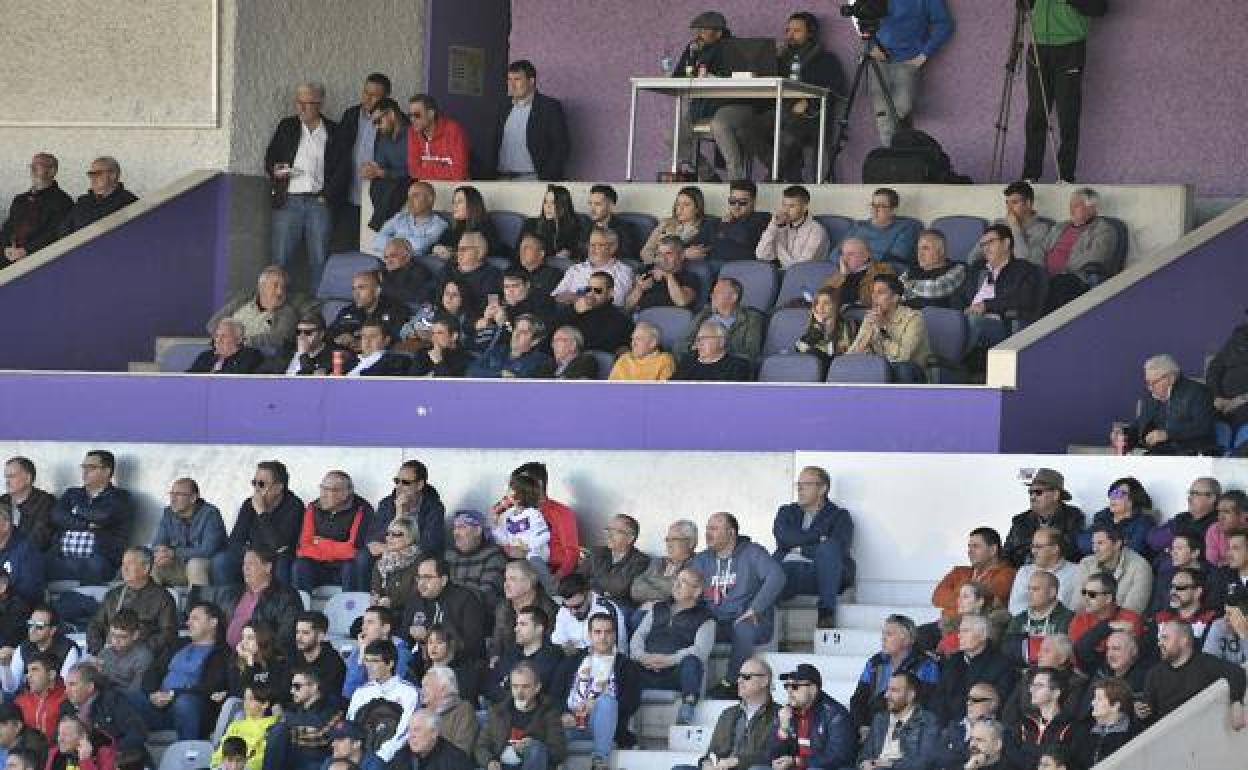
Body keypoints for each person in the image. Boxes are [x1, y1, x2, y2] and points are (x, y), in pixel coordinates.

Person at [692, 512, 785, 698]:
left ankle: (731, 682)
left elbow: (777, 576)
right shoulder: (702, 560)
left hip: (748, 620)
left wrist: (755, 608)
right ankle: (690, 689)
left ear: (731, 533)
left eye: (714, 528)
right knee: (690, 625)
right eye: (707, 528)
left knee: (744, 627)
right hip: (716, 622)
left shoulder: (752, 552)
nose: (708, 533)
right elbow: (689, 588)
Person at [750, 13, 844, 182]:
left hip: (811, 116)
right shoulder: (780, 59)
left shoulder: (826, 59)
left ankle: (774, 176)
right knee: (747, 127)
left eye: (796, 31)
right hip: (781, 111)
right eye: (788, 31)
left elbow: (837, 89)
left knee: (790, 131)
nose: (790, 35)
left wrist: (809, 102)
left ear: (810, 34)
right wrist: (770, 60)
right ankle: (776, 168)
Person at [265, 83, 343, 287]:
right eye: (298, 102)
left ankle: (318, 310)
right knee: (280, 257)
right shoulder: (287, 126)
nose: (300, 108)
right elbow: (271, 155)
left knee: (319, 257)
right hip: (289, 199)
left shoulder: (333, 130)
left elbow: (342, 168)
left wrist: (326, 196)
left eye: (306, 103)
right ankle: (278, 305)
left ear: (319, 104)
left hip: (319, 201)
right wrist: (275, 170)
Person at [1022, 0, 1107, 183]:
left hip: (1070, 46)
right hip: (1038, 45)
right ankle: (1030, 175)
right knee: (1036, 112)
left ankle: (1066, 175)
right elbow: (1023, 6)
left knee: (1067, 114)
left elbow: (1099, 8)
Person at [630, 568, 714, 724]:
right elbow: (638, 636)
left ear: (696, 591)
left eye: (683, 582)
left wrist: (669, 660)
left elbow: (700, 650)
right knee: (624, 664)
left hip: (674, 674)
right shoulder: (658, 608)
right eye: (676, 580)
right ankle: (622, 720)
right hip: (646, 670)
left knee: (692, 661)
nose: (676, 585)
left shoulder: (705, 618)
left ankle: (687, 708)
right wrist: (642, 657)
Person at [773, 466, 855, 629]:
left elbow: (837, 549)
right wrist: (818, 538)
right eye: (799, 484)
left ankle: (826, 612)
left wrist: (798, 548)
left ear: (823, 488)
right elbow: (782, 537)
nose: (800, 489)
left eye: (807, 484)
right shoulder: (786, 511)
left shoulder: (839, 516)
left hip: (823, 574)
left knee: (829, 548)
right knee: (763, 568)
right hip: (789, 572)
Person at [137, 602, 231, 741]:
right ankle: (128, 756)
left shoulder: (222, 652)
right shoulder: (178, 644)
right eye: (188, 618)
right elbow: (153, 671)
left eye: (195, 618)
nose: (188, 622)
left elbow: (211, 687)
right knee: (120, 697)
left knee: (185, 703)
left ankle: (189, 755)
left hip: (193, 710)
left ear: (213, 622)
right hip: (159, 707)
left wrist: (173, 694)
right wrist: (152, 693)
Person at [560, 613, 640, 768]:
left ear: (615, 635)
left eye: (608, 632)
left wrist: (595, 705)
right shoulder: (572, 662)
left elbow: (631, 702)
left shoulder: (626, 665)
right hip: (572, 724)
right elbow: (554, 695)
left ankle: (599, 761)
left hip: (606, 724)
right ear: (589, 635)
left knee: (606, 701)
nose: (603, 637)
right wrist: (564, 713)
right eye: (598, 632)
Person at [1139, 620, 1246, 729]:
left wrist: (1236, 703)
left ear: (1183, 640)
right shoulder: (1154, 675)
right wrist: (1142, 715)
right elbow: (1149, 718)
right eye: (1159, 639)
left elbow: (1237, 672)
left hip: (1203, 730)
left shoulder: (1205, 662)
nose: (1160, 643)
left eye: (1165, 638)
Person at [48, 450, 134, 585]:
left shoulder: (120, 497)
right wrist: (87, 525)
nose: (85, 472)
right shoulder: (72, 493)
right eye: (84, 467)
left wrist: (76, 510)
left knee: (93, 568)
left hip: (99, 560)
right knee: (36, 563)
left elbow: (104, 516)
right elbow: (56, 515)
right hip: (63, 556)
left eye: (91, 468)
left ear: (106, 471)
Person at [675, 657, 776, 770]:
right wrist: (707, 763)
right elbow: (712, 752)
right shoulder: (728, 713)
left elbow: (772, 756)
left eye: (746, 677)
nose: (739, 681)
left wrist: (737, 761)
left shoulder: (779, 715)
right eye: (739, 676)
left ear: (764, 681)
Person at [848, 615, 941, 734]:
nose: (883, 639)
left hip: (910, 729)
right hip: (873, 725)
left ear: (907, 640)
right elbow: (858, 699)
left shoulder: (926, 665)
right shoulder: (875, 663)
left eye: (889, 634)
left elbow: (927, 704)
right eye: (883, 634)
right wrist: (862, 725)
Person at [960, 224, 1042, 358]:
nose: (985, 248)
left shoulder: (1022, 269)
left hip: (1000, 323)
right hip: (966, 316)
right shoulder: (977, 268)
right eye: (983, 244)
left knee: (972, 322)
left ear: (1006, 243)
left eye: (991, 242)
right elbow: (960, 294)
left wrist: (986, 305)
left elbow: (1023, 299)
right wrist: (960, 310)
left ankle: (951, 362)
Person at [215, 462, 302, 586]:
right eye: (254, 483)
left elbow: (280, 546)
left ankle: (278, 603)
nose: (256, 488)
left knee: (281, 564)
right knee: (222, 561)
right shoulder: (249, 504)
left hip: (278, 558)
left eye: (261, 484)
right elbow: (234, 541)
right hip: (252, 554)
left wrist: (261, 512)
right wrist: (250, 554)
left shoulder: (294, 506)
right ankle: (229, 602)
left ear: (278, 487)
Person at [1035, 188, 1120, 312]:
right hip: (1046, 275)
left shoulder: (1104, 230)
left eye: (1076, 205)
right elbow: (1041, 249)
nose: (1070, 209)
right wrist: (1038, 268)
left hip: (1075, 278)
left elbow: (1096, 257)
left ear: (1092, 208)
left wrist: (1062, 269)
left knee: (1059, 285)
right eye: (1070, 205)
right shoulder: (1060, 227)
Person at [84, 547, 177, 660]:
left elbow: (168, 634)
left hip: (142, 661)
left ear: (146, 568)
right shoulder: (113, 595)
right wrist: (99, 650)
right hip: (108, 658)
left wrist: (138, 652)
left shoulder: (163, 598)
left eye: (129, 564)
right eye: (123, 564)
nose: (124, 569)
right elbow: (95, 624)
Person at [671, 12, 734, 176]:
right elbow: (677, 77)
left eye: (703, 30)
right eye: (697, 31)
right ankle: (708, 175)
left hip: (722, 106)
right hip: (699, 107)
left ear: (718, 33)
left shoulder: (730, 48)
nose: (698, 35)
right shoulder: (694, 48)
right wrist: (692, 56)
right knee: (673, 138)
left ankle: (736, 181)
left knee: (724, 131)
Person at [332, 72, 391, 245]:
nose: (367, 98)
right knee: (343, 248)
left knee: (374, 249)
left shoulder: (394, 121)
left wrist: (381, 171)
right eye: (366, 92)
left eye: (374, 96)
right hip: (348, 196)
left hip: (379, 199)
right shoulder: (350, 115)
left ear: (386, 98)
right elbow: (337, 152)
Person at [488, 60, 572, 181]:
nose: (512, 85)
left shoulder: (548, 107)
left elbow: (561, 146)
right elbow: (492, 143)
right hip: (502, 178)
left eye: (517, 79)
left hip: (533, 179)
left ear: (531, 81)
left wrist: (547, 178)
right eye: (509, 79)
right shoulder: (502, 107)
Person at [293, 471, 375, 592]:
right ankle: (301, 608)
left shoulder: (362, 509)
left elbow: (353, 550)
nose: (323, 495)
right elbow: (302, 548)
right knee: (300, 565)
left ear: (345, 493)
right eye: (322, 488)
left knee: (350, 567)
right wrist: (334, 549)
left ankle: (349, 609)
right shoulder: (313, 507)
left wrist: (319, 543)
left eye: (329, 490)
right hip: (318, 567)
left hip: (344, 569)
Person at [476, 662, 566, 770]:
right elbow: (481, 746)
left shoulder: (549, 712)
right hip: (501, 765)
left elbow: (558, 752)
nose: (519, 692)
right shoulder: (497, 712)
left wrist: (533, 743)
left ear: (537, 688)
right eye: (515, 686)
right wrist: (489, 761)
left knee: (535, 748)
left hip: (531, 763)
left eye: (525, 687)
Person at [58, 662, 147, 770]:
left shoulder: (113, 701)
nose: (66, 691)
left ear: (90, 687)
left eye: (72, 684)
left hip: (121, 762)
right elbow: (59, 742)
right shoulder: (66, 707)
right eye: (66, 685)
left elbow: (137, 732)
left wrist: (108, 752)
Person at [346, 639, 421, 763]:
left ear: (390, 663)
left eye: (375, 661)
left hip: (393, 758)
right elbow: (350, 726)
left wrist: (380, 757)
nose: (368, 666)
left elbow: (405, 732)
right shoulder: (360, 692)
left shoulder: (410, 692)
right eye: (366, 660)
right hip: (360, 755)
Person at [403, 556, 488, 665]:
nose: (421, 583)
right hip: (422, 666)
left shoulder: (466, 600)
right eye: (419, 578)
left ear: (443, 580)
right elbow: (404, 637)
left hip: (460, 666)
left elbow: (473, 644)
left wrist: (429, 637)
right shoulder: (415, 601)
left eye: (428, 578)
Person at [1128, 353, 1218, 455]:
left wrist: (1167, 434)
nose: (1150, 388)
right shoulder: (1152, 398)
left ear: (1171, 378)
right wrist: (1125, 436)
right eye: (1148, 383)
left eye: (1154, 382)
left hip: (1192, 453)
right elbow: (1140, 425)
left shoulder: (1198, 393)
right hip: (1161, 453)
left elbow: (1203, 427)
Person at [847, 274, 931, 383]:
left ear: (895, 298)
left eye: (880, 292)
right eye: (873, 292)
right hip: (881, 368)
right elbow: (853, 351)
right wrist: (861, 345)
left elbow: (903, 357)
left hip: (912, 371)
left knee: (901, 369)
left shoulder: (914, 318)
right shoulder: (871, 317)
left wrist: (882, 329)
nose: (874, 296)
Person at [215, 546, 304, 649]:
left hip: (262, 657)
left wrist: (258, 653)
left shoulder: (286, 596)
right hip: (227, 656)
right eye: (244, 564)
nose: (245, 568)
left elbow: (287, 636)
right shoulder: (234, 593)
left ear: (267, 567)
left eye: (251, 563)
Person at [365, 460, 446, 573]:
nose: (399, 486)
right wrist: (399, 513)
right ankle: (362, 591)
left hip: (417, 555)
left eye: (405, 482)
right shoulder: (386, 503)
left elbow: (430, 543)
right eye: (397, 481)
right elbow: (373, 537)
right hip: (389, 553)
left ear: (420, 485)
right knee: (362, 557)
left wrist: (397, 548)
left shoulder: (434, 507)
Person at [768, 663, 854, 770]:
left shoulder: (835, 713)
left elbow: (839, 756)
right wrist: (783, 730)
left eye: (795, 686)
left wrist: (798, 761)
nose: (789, 691)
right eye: (787, 686)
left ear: (813, 689)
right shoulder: (786, 713)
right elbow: (772, 756)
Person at [934, 615, 1015, 722]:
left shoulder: (1002, 664)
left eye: (966, 631)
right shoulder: (952, 661)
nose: (959, 636)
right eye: (960, 631)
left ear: (983, 636)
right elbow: (939, 696)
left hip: (983, 726)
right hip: (949, 727)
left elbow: (999, 704)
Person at [148, 478, 226, 589]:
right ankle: (156, 605)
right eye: (171, 494)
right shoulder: (168, 513)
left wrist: (174, 553)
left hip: (206, 566)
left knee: (195, 565)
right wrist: (161, 552)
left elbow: (208, 550)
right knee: (152, 565)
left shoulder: (210, 514)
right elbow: (158, 542)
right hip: (180, 565)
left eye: (178, 494)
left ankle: (197, 605)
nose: (173, 499)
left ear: (193, 498)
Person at [206, 266, 302, 356]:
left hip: (252, 357)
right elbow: (212, 325)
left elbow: (280, 338)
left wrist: (242, 342)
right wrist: (223, 338)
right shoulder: (242, 302)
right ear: (262, 287)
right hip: (222, 352)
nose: (280, 292)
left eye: (283, 287)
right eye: (275, 286)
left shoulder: (287, 313)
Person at [262, 666, 344, 770]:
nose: (292, 691)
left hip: (317, 760)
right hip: (292, 756)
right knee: (279, 732)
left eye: (297, 686)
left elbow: (320, 736)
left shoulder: (332, 706)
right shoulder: (293, 708)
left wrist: (288, 724)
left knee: (280, 730)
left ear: (314, 687)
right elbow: (270, 732)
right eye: (291, 686)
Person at [856, 671, 941, 770]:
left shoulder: (928, 721)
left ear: (910, 695)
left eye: (894, 690)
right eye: (887, 689)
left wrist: (889, 764)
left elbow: (925, 762)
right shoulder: (880, 719)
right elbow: (863, 755)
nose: (886, 695)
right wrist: (863, 764)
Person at [0, 153, 73, 267]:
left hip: (38, 260)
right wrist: (5, 248)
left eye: (38, 165)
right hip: (7, 256)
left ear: (52, 171)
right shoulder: (20, 199)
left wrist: (26, 250)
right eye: (31, 166)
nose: (32, 170)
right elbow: (7, 227)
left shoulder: (63, 201)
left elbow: (55, 233)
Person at [932, 527, 1016, 624]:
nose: (970, 551)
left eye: (976, 546)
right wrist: (967, 599)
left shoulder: (1007, 574)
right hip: (946, 625)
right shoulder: (958, 572)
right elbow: (937, 597)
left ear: (993, 550)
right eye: (969, 547)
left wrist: (956, 594)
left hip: (978, 629)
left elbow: (984, 599)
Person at [1003, 468, 1085, 568]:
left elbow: (1071, 552)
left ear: (1055, 495)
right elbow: (1006, 555)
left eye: (1038, 492)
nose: (1032, 497)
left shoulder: (1073, 517)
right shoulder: (1020, 520)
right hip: (1024, 574)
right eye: (1030, 493)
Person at [487, 561, 558, 666]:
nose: (506, 584)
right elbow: (497, 641)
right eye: (506, 579)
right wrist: (495, 656)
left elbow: (549, 648)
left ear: (528, 584)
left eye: (513, 579)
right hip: (508, 663)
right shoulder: (503, 607)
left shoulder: (547, 609)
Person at [964, 182, 1053, 265]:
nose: (1009, 208)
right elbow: (973, 257)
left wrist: (1015, 227)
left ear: (1028, 203)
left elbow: (1025, 262)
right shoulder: (998, 223)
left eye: (1014, 203)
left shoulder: (1042, 228)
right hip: (992, 272)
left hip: (1018, 277)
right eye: (1007, 203)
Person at [486, 607, 561, 704]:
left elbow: (538, 692)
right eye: (517, 624)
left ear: (539, 629)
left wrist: (506, 684)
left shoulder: (552, 657)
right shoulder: (511, 652)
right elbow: (491, 686)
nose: (516, 629)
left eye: (523, 624)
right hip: (502, 711)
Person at [360, 95, 413, 233]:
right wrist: (370, 168)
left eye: (378, 121)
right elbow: (380, 164)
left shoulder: (414, 133)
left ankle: (378, 223)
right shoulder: (383, 137)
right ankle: (380, 223)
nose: (376, 127)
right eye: (374, 124)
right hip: (390, 180)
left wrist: (386, 173)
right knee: (377, 184)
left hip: (410, 180)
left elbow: (418, 168)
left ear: (391, 113)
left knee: (394, 185)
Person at [1072, 525, 1153, 614]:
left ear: (1117, 544)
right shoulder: (1086, 563)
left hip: (1120, 625)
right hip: (1086, 622)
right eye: (1093, 544)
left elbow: (1131, 611)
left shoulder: (1140, 567)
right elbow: (1078, 603)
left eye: (1100, 543)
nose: (1095, 549)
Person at [682, 277, 765, 364]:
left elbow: (751, 352)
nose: (712, 296)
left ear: (733, 297)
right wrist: (694, 350)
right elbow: (680, 344)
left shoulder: (751, 318)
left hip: (726, 368)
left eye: (717, 292)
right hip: (695, 363)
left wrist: (717, 351)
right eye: (712, 292)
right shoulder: (704, 314)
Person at [1002, 571, 1073, 669]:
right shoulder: (1019, 619)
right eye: (1029, 589)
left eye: (1035, 589)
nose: (1029, 594)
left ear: (1052, 592)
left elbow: (1066, 655)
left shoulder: (1068, 618)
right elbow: (1007, 651)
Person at [329, 271, 411, 353]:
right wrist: (339, 338)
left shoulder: (396, 310)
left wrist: (363, 343)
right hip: (347, 357)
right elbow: (328, 334)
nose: (356, 294)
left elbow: (399, 340)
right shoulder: (348, 311)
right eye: (354, 289)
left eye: (361, 288)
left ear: (377, 291)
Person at [579, 514, 651, 607]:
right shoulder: (597, 552)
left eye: (616, 531)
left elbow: (618, 589)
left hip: (616, 608)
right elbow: (577, 579)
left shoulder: (640, 561)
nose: (609, 535)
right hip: (587, 603)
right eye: (608, 530)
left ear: (630, 538)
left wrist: (593, 582)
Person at [489, 476, 552, 580]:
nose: (506, 492)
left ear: (520, 495)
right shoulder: (508, 514)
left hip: (534, 556)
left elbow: (545, 535)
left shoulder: (533, 514)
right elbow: (505, 540)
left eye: (510, 489)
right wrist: (495, 526)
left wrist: (528, 546)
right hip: (516, 557)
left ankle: (551, 589)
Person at [551, 229, 634, 307]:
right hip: (567, 314)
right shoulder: (575, 269)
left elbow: (616, 302)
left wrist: (576, 298)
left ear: (612, 248)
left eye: (599, 245)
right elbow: (556, 296)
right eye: (591, 245)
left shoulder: (623, 271)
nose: (592, 249)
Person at [445, 511, 508, 613]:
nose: (455, 533)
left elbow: (488, 595)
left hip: (477, 616)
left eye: (462, 527)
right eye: (454, 528)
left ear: (478, 530)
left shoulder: (493, 556)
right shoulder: (449, 556)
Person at [554, 273, 633, 354]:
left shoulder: (619, 318)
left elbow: (603, 346)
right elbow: (553, 330)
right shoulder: (575, 308)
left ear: (610, 293)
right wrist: (574, 312)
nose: (591, 294)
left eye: (597, 290)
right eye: (588, 289)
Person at [58, 157, 138, 238]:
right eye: (90, 174)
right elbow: (64, 230)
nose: (93, 178)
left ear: (113, 175)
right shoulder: (83, 201)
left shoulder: (129, 202)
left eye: (97, 173)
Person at [550, 573, 627, 655]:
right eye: (567, 606)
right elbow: (557, 642)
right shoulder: (564, 610)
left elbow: (614, 651)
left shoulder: (607, 610)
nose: (572, 612)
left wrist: (574, 649)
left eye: (577, 606)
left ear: (589, 594)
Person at [840, 189, 921, 267]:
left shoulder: (906, 227)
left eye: (881, 206)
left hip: (880, 273)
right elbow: (835, 254)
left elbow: (896, 259)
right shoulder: (858, 226)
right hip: (847, 269)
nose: (875, 210)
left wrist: (856, 260)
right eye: (873, 205)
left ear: (893, 210)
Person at [754, 185, 829, 268]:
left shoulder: (816, 231)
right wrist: (773, 225)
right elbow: (762, 256)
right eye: (784, 205)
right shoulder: (779, 227)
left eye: (791, 206)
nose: (785, 210)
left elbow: (801, 267)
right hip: (782, 275)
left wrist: (780, 249)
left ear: (804, 207)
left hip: (808, 277)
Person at [1067, 572, 1142, 654]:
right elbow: (1076, 653)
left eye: (1092, 594)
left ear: (1108, 598)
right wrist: (1107, 627)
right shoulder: (1079, 619)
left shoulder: (1130, 619)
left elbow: (1128, 656)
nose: (1086, 599)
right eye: (1084, 593)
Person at [1070, 678, 1137, 769]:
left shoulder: (1134, 734)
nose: (1093, 703)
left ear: (1115, 706)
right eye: (1094, 698)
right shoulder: (1084, 731)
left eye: (1099, 699)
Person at [1148, 477, 1222, 559]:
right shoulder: (1182, 517)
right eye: (1190, 493)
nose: (1189, 498)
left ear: (1212, 498)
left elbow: (1207, 555)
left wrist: (1173, 541)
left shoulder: (1217, 524)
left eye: (1195, 494)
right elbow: (1153, 540)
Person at [820, 238, 897, 316]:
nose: (845, 259)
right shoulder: (840, 273)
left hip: (864, 317)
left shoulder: (882, 270)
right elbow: (823, 294)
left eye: (850, 254)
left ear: (865, 256)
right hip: (836, 317)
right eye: (843, 254)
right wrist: (842, 275)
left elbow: (871, 299)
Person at [639, 187, 715, 265]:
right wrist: (682, 255)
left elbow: (702, 254)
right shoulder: (665, 223)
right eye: (678, 204)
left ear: (697, 208)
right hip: (656, 267)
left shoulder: (706, 227)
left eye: (686, 205)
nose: (680, 209)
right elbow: (645, 253)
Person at [932, 682, 999, 770]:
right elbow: (937, 757)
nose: (969, 703)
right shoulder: (954, 725)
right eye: (968, 699)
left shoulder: (998, 732)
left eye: (975, 700)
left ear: (991, 704)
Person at [372, 182, 448, 257]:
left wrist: (393, 241)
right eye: (409, 197)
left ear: (430, 199)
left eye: (415, 196)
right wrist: (407, 244)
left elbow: (420, 246)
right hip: (387, 265)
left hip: (414, 267)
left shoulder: (439, 224)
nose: (409, 201)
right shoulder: (399, 217)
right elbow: (376, 241)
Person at [211, 685, 278, 770]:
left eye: (251, 699)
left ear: (265, 704)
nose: (245, 703)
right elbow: (221, 751)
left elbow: (262, 758)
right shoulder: (235, 725)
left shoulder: (273, 727)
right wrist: (217, 766)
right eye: (245, 699)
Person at [1151, 566, 1218, 652]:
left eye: (1180, 587)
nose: (1173, 592)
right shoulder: (1161, 619)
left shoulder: (1212, 621)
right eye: (1172, 586)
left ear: (1197, 592)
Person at [467, 314, 554, 379]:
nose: (516, 335)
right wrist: (499, 374)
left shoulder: (541, 362)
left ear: (535, 341)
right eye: (516, 329)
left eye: (523, 332)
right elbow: (472, 371)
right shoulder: (496, 351)